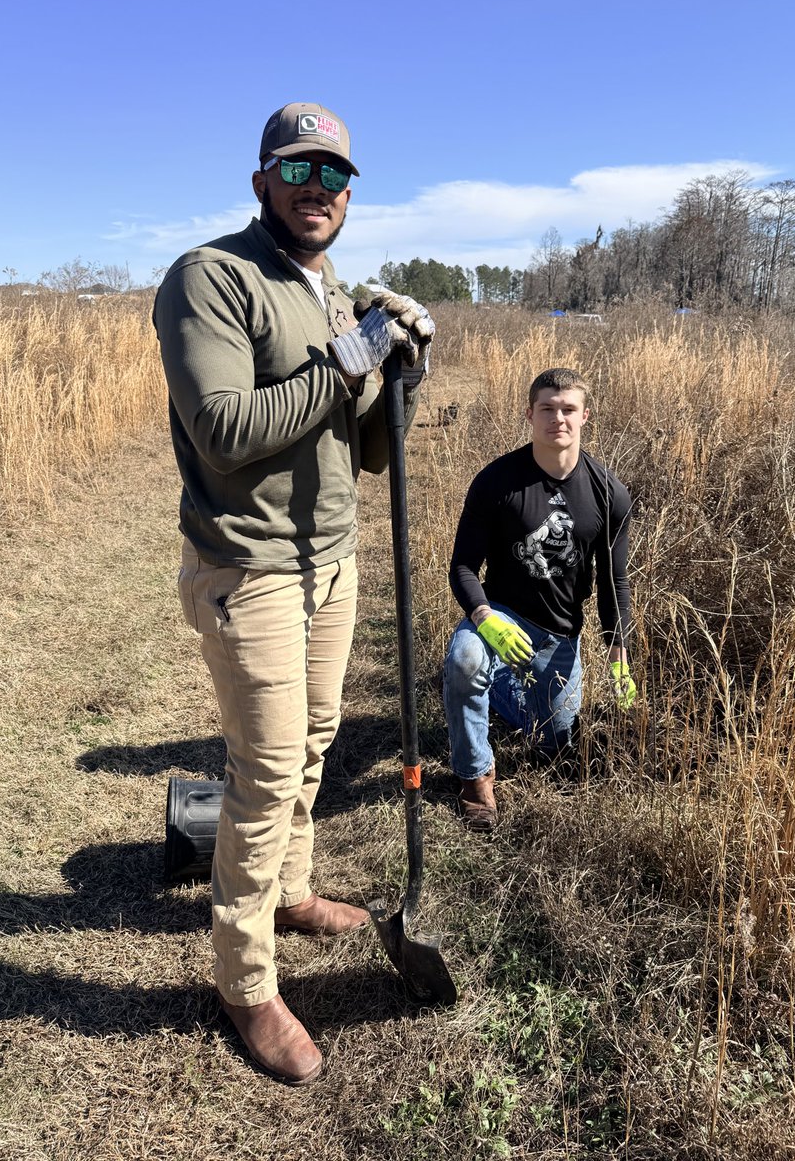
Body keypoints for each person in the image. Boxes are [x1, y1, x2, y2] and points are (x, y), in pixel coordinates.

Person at [153, 102, 433, 1084]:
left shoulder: (331, 293)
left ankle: (292, 888)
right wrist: (351, 355)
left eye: (336, 177)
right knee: (266, 770)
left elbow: (362, 452)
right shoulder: (211, 278)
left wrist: (403, 376)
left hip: (331, 562)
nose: (320, 192)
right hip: (249, 566)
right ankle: (244, 979)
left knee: (314, 741)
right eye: (299, 172)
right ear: (263, 180)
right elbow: (227, 427)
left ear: (351, 194)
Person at [442, 367, 636, 832]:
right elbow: (464, 567)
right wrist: (483, 616)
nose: (558, 419)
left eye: (568, 409)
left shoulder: (610, 494)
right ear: (530, 414)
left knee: (554, 743)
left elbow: (614, 582)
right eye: (547, 408)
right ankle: (475, 777)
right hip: (501, 616)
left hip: (559, 633)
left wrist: (619, 652)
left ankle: (490, 692)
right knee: (466, 659)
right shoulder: (496, 482)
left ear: (585, 415)